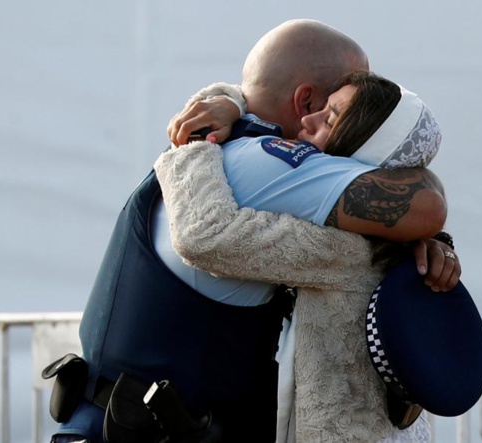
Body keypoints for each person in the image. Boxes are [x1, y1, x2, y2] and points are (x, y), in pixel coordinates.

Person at [47, 19, 451, 443]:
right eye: (337, 106)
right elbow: (425, 207)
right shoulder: (267, 161)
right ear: (306, 99)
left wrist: (229, 99)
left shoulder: (225, 148)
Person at [156, 71, 454, 443]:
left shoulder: (345, 250)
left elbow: (206, 234)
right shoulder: (392, 239)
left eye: (329, 118)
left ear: (362, 150)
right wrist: (229, 99)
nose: (305, 120)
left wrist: (195, 144)